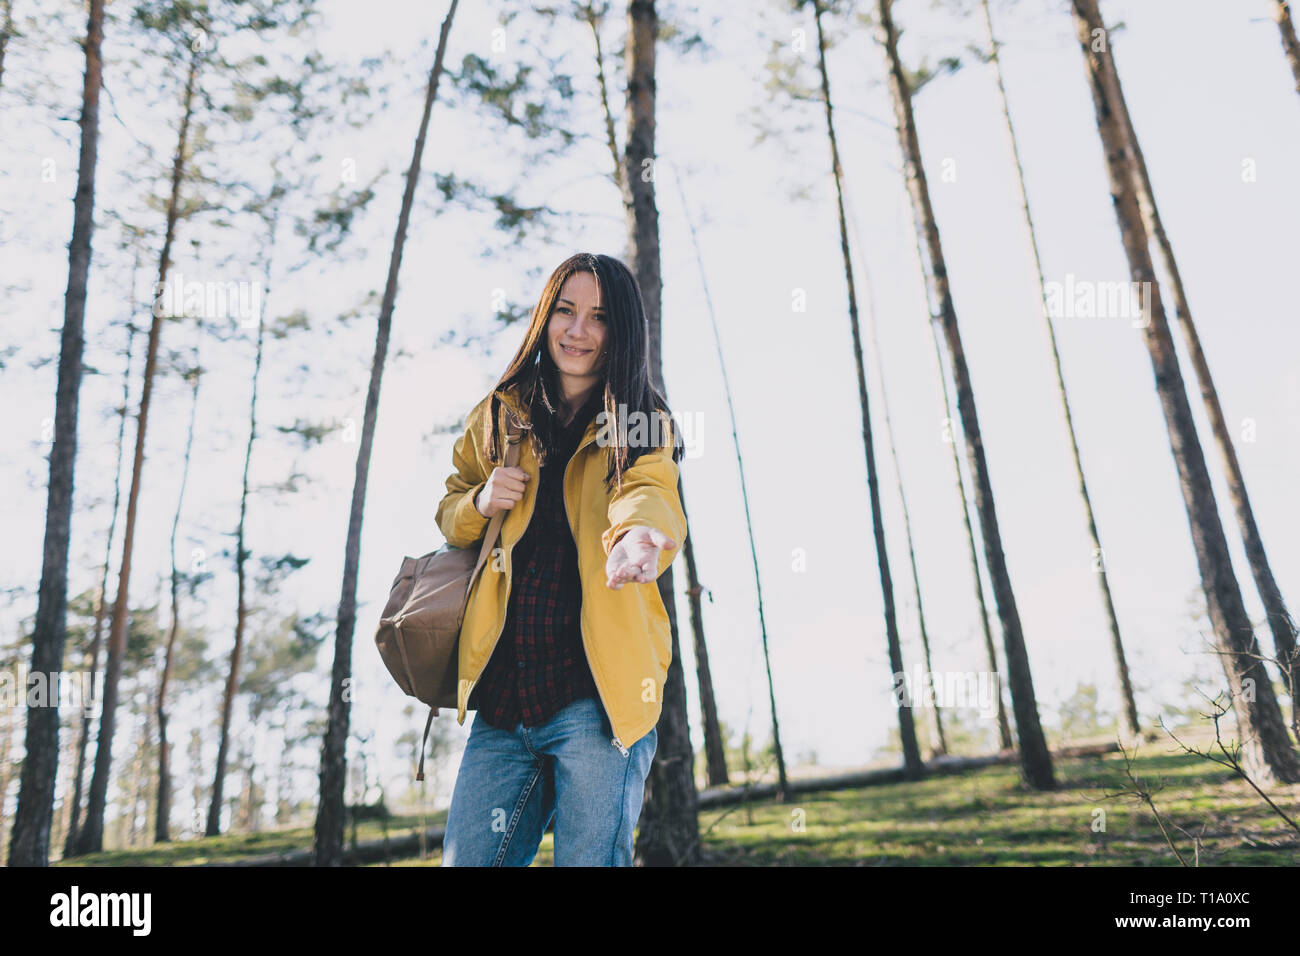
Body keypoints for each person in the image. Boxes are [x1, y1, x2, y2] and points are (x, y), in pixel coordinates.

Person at [435, 252, 687, 866]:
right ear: (545, 317)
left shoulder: (640, 420)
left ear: (620, 330)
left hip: (595, 701)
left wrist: (639, 537)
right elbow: (450, 509)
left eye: (598, 317)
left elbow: (650, 490)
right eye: (565, 311)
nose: (578, 331)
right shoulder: (497, 415)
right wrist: (479, 500)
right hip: (502, 700)